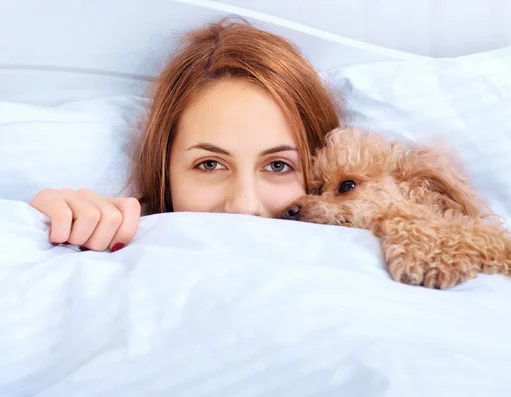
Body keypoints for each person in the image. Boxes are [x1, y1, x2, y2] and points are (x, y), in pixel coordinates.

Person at [29, 17, 342, 253]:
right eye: (209, 164)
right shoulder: (129, 245)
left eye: (278, 165)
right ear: (165, 172)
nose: (244, 206)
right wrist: (42, 223)